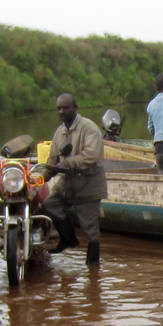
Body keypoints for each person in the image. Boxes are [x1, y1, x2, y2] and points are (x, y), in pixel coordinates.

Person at [41, 93, 108, 267]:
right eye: (59, 108)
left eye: (65, 107)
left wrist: (69, 163)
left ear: (75, 108)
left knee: (91, 230)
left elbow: (91, 156)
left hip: (89, 183)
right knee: (49, 205)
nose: (61, 111)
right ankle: (68, 239)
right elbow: (52, 160)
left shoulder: (89, 128)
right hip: (67, 183)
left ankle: (93, 269)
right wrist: (40, 178)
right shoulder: (59, 131)